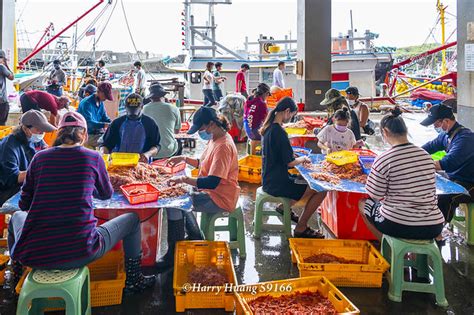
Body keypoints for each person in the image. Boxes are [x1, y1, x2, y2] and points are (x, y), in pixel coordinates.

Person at [7, 111, 156, 293]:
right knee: (132, 220)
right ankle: (134, 280)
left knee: (17, 216)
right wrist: (85, 185)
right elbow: (105, 194)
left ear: (59, 134)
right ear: (84, 135)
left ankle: (15, 277)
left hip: (35, 253)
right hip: (81, 250)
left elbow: (24, 206)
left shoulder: (39, 158)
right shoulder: (93, 158)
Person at [156, 107, 240, 270]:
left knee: (174, 204)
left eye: (202, 128)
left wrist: (184, 179)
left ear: (211, 124)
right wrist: (184, 159)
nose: (201, 133)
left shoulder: (223, 146)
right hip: (212, 191)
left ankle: (174, 252)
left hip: (219, 196)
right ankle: (195, 237)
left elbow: (212, 181)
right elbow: (207, 164)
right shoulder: (216, 138)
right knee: (178, 199)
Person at [359, 108, 445, 240]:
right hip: (434, 225)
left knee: (363, 204)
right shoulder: (426, 156)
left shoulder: (384, 158)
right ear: (406, 131)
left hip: (398, 224)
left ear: (385, 132)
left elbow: (375, 195)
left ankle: (387, 247)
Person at [261, 97, 326, 238]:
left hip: (269, 178)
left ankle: (284, 207)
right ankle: (301, 227)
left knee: (303, 179)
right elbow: (290, 163)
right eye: (291, 115)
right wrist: (303, 158)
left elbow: (279, 154)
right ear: (287, 111)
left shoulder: (268, 128)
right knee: (320, 189)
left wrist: (293, 154)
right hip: (277, 183)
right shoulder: (279, 132)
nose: (290, 118)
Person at [420, 100, 474, 224]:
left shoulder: (465, 138)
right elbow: (428, 147)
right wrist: (409, 153)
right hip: (456, 178)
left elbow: (447, 163)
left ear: (446, 121)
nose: (435, 128)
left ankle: (437, 232)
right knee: (427, 185)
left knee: (445, 197)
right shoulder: (446, 136)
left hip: (470, 183)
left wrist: (419, 164)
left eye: (435, 124)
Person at [0, 110, 56, 206]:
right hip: (10, 190)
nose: (41, 133)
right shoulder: (9, 146)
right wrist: (38, 170)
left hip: (28, 183)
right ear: (25, 128)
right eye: (39, 130)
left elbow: (47, 153)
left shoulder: (36, 139)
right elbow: (13, 177)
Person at [100, 93, 160, 163]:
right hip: (119, 162)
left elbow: (156, 146)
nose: (133, 114)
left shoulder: (150, 123)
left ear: (142, 107)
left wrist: (148, 154)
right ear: (125, 107)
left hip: (141, 162)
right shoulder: (117, 123)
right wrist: (103, 154)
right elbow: (106, 144)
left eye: (135, 110)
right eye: (130, 110)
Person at [143, 83, 181, 159]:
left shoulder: (144, 109)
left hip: (149, 152)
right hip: (168, 151)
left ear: (150, 98)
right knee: (178, 142)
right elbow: (177, 131)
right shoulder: (174, 108)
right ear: (163, 96)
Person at [77, 81, 113, 148]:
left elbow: (104, 117)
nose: (106, 99)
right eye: (105, 96)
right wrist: (105, 125)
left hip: (96, 134)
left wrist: (113, 123)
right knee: (109, 144)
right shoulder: (87, 103)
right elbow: (89, 124)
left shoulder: (100, 102)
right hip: (86, 135)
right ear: (99, 92)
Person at [243, 83, 270, 153]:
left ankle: (253, 153)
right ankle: (262, 154)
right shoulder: (262, 104)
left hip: (247, 128)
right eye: (267, 95)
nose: (267, 97)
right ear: (266, 93)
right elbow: (266, 121)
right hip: (254, 131)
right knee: (270, 135)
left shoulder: (249, 99)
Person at [0, 50, 14, 125]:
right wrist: (6, 65)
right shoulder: (1, 67)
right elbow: (12, 77)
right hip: (1, 102)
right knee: (1, 125)